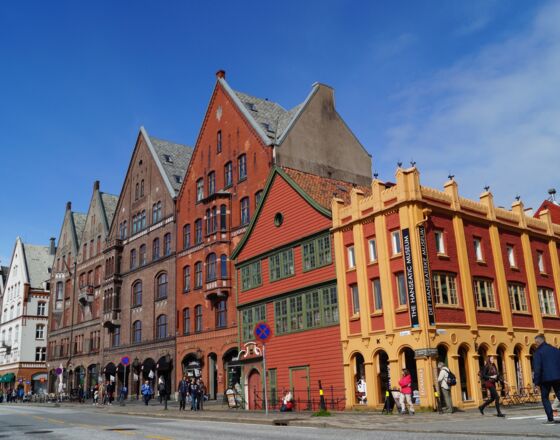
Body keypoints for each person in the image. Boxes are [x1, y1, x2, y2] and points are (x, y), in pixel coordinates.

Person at [532, 334, 560, 424]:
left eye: (535, 343)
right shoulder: (555, 350)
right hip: (557, 377)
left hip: (545, 379)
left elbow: (537, 369)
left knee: (545, 398)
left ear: (537, 342)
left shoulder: (538, 352)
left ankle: (550, 418)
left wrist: (536, 382)